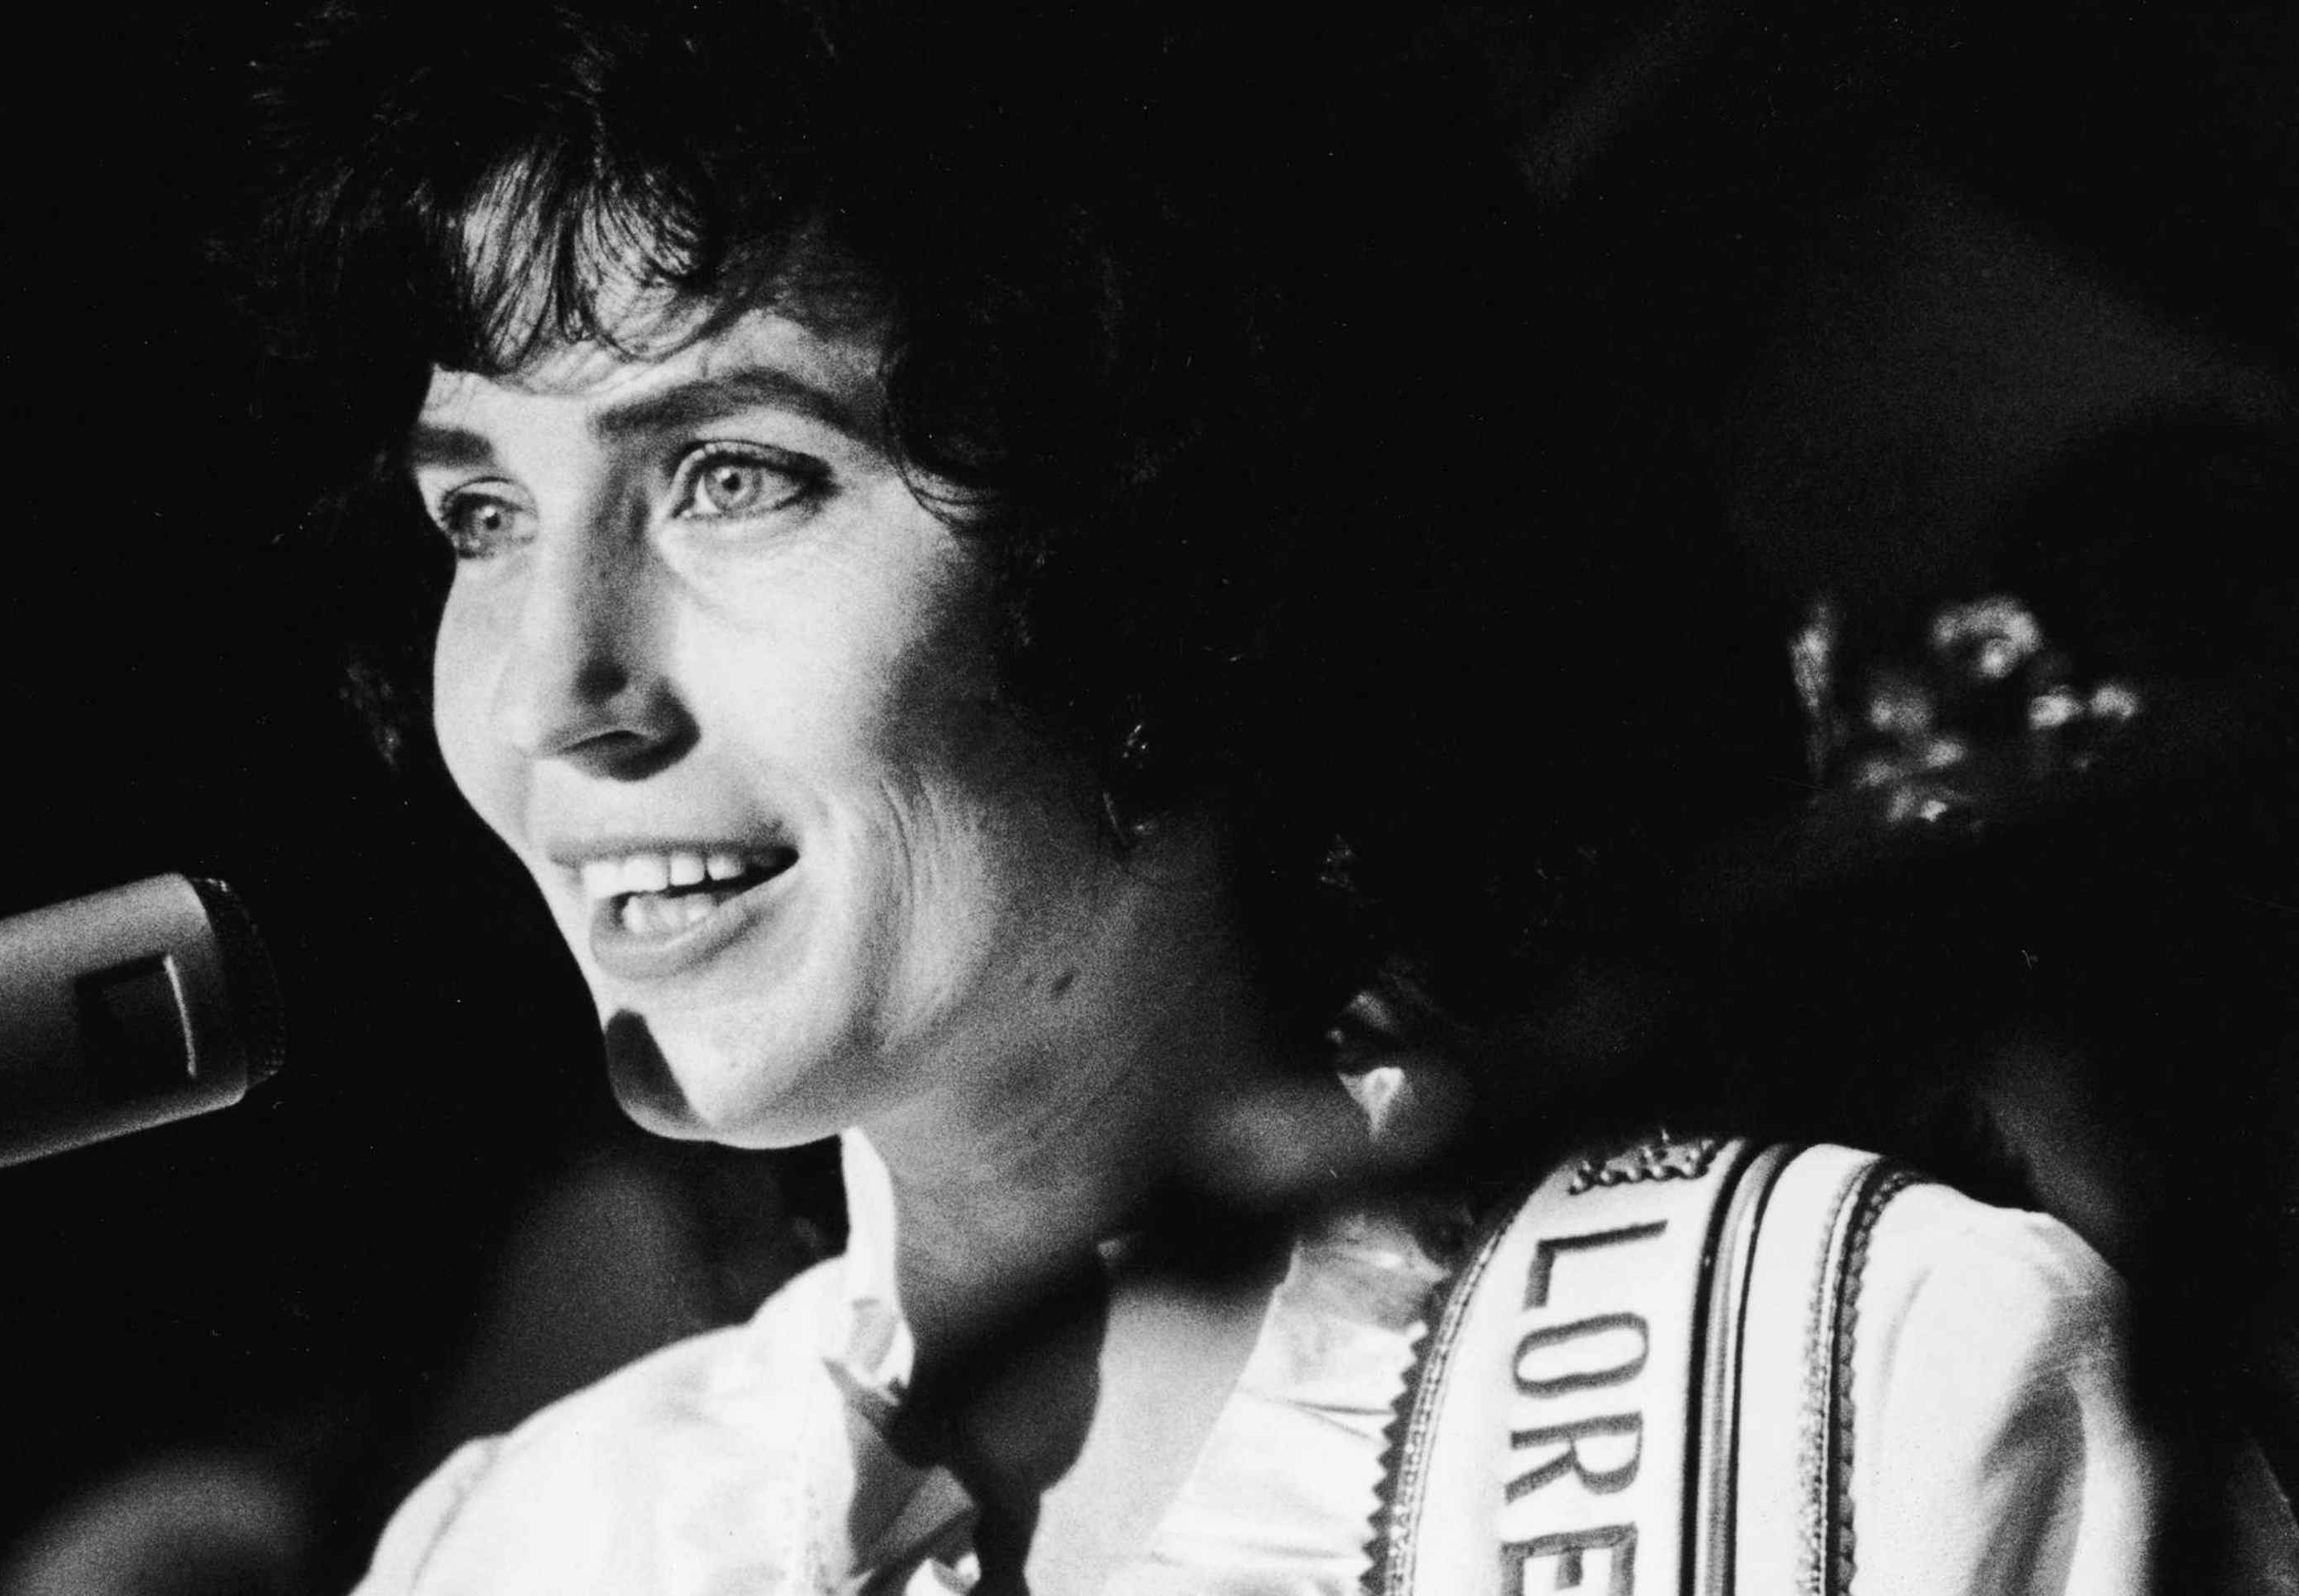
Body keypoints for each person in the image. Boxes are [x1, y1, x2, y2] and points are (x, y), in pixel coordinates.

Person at [225, 2, 2291, 1590]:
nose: (555, 688)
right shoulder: (537, 1542)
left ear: (1176, 533)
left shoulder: (1859, 1386)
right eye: (484, 512)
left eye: (736, 475)